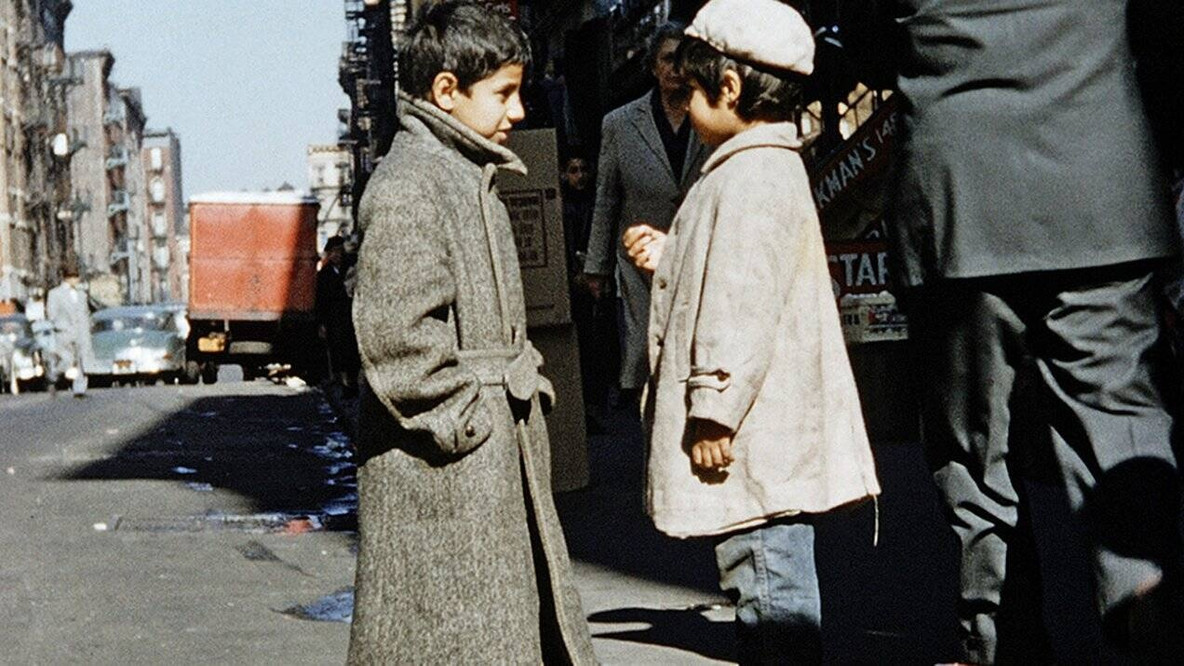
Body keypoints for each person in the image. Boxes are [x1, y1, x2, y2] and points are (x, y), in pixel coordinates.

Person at [881, 0, 1184, 661]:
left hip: (959, 198)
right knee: (1120, 420)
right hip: (1098, 183)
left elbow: (865, 42)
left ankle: (999, 638)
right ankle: (1149, 601)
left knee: (975, 452)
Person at [623, 1, 881, 661]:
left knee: (765, 577)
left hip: (752, 433)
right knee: (765, 574)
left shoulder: (749, 174)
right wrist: (672, 255)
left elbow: (739, 303)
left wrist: (713, 408)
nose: (685, 105)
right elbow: (734, 272)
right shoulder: (758, 166)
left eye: (691, 90)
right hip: (764, 426)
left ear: (731, 88)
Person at [345, 2, 596, 663]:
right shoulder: (411, 185)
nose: (518, 111)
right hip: (448, 477)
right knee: (457, 638)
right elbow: (398, 339)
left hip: (479, 467)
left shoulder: (459, 172)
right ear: (446, 90)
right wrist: (465, 423)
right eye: (504, 94)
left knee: (497, 634)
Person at [582, 21, 710, 407]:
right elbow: (606, 198)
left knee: (698, 348)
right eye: (667, 59)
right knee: (648, 357)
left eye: (682, 60)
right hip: (639, 263)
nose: (675, 69)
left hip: (698, 249)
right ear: (654, 66)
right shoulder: (620, 124)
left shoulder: (711, 116)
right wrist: (597, 267)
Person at [315, 235, 359, 395]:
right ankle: (341, 382)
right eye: (333, 252)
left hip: (350, 316)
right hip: (333, 319)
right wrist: (321, 323)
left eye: (339, 251)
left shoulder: (351, 270)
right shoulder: (324, 274)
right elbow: (320, 300)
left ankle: (352, 382)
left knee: (352, 351)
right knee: (336, 351)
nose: (336, 255)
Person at [46, 262, 93, 398]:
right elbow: (51, 314)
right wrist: (61, 326)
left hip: (81, 332)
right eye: (72, 277)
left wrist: (87, 328)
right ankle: (53, 377)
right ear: (66, 278)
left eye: (76, 276)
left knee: (81, 360)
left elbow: (85, 312)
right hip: (64, 333)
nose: (75, 279)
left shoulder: (81, 294)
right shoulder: (55, 293)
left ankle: (79, 389)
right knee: (67, 360)